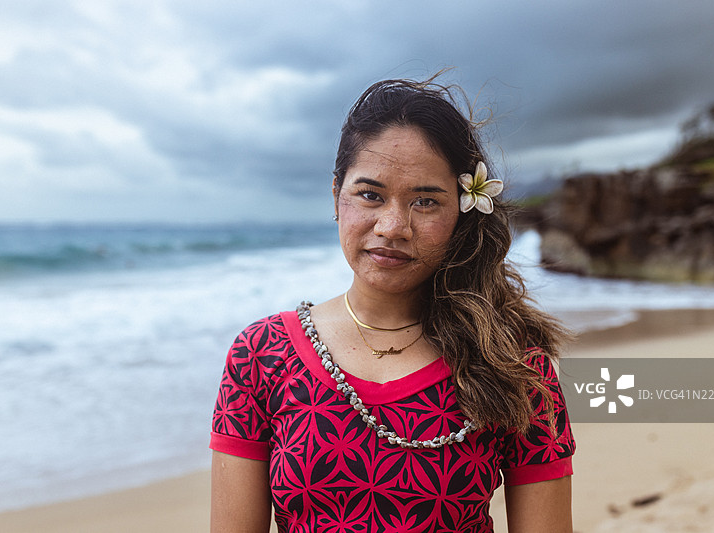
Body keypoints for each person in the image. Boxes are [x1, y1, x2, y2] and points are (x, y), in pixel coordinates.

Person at [210, 76, 575, 532]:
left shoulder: (513, 361)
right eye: (370, 195)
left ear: (463, 212)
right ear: (336, 196)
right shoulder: (262, 354)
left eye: (425, 201)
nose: (393, 225)